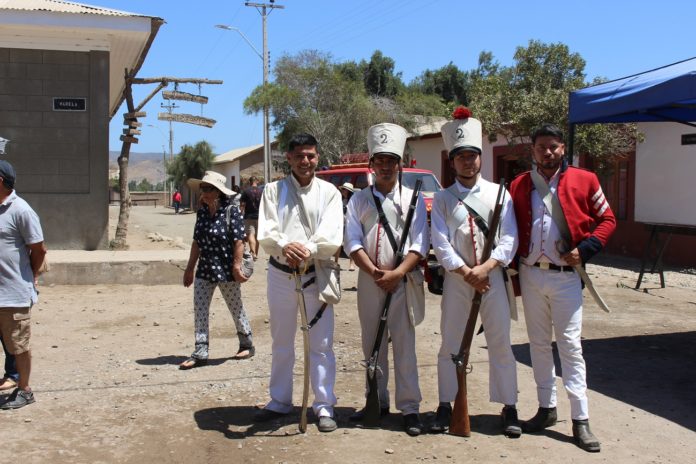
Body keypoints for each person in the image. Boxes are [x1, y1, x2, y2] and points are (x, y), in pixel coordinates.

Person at [510, 124, 616, 452]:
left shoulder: (586, 180)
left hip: (566, 277)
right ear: (533, 150)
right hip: (531, 274)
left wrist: (584, 251)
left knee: (570, 346)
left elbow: (607, 219)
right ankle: (546, 409)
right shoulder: (519, 185)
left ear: (562, 149)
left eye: (554, 146)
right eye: (542, 147)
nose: (548, 152)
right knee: (539, 345)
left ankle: (581, 420)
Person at [430, 107, 521, 436]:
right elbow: (439, 243)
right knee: (450, 344)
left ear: (480, 158)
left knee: (500, 344)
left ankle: (509, 406)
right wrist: (466, 271)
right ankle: (445, 405)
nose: (467, 162)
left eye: (472, 156)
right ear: (452, 161)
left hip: (492, 279)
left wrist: (485, 268)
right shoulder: (442, 198)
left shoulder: (500, 194)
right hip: (458, 282)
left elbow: (509, 238)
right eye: (461, 157)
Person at [345, 123, 429, 436]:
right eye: (379, 161)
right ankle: (376, 402)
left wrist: (396, 273)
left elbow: (420, 242)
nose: (385, 166)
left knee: (404, 345)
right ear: (371, 165)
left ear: (400, 164)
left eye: (391, 161)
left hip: (402, 280)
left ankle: (410, 408)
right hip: (371, 280)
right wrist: (375, 273)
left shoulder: (413, 199)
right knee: (372, 343)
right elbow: (352, 242)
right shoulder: (357, 201)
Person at [256, 133, 343, 433]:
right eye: (300, 156)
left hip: (315, 273)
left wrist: (306, 249)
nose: (306, 161)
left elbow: (332, 235)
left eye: (311, 155)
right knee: (282, 340)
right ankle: (280, 400)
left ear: (318, 157)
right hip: (280, 274)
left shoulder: (330, 192)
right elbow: (266, 231)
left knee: (321, 343)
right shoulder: (272, 191)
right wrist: (284, 245)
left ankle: (324, 405)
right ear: (289, 159)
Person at [179, 171, 255, 370]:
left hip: (226, 269)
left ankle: (246, 343)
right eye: (202, 188)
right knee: (200, 308)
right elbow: (197, 242)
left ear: (218, 192)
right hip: (205, 269)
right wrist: (189, 269)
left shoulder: (231, 210)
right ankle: (201, 351)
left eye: (207, 188)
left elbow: (239, 241)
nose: (203, 192)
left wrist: (236, 267)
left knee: (235, 306)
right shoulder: (202, 212)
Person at [0, 159, 46, 409]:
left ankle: (25, 390)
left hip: (12, 294)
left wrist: (29, 277)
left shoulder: (21, 210)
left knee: (19, 347)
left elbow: (38, 250)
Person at [335, 182, 357, 271]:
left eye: (344, 189)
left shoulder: (353, 201)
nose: (342, 191)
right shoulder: (342, 201)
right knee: (338, 244)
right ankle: (336, 262)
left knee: (351, 244)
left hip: (350, 225)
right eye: (342, 189)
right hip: (341, 224)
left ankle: (352, 264)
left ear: (348, 191)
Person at [240, 176, 263, 260]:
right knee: (257, 236)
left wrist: (240, 214)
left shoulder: (246, 191)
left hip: (249, 216)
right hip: (260, 216)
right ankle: (255, 253)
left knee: (251, 234)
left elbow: (242, 205)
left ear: (250, 182)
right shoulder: (261, 191)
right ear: (257, 181)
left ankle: (253, 252)